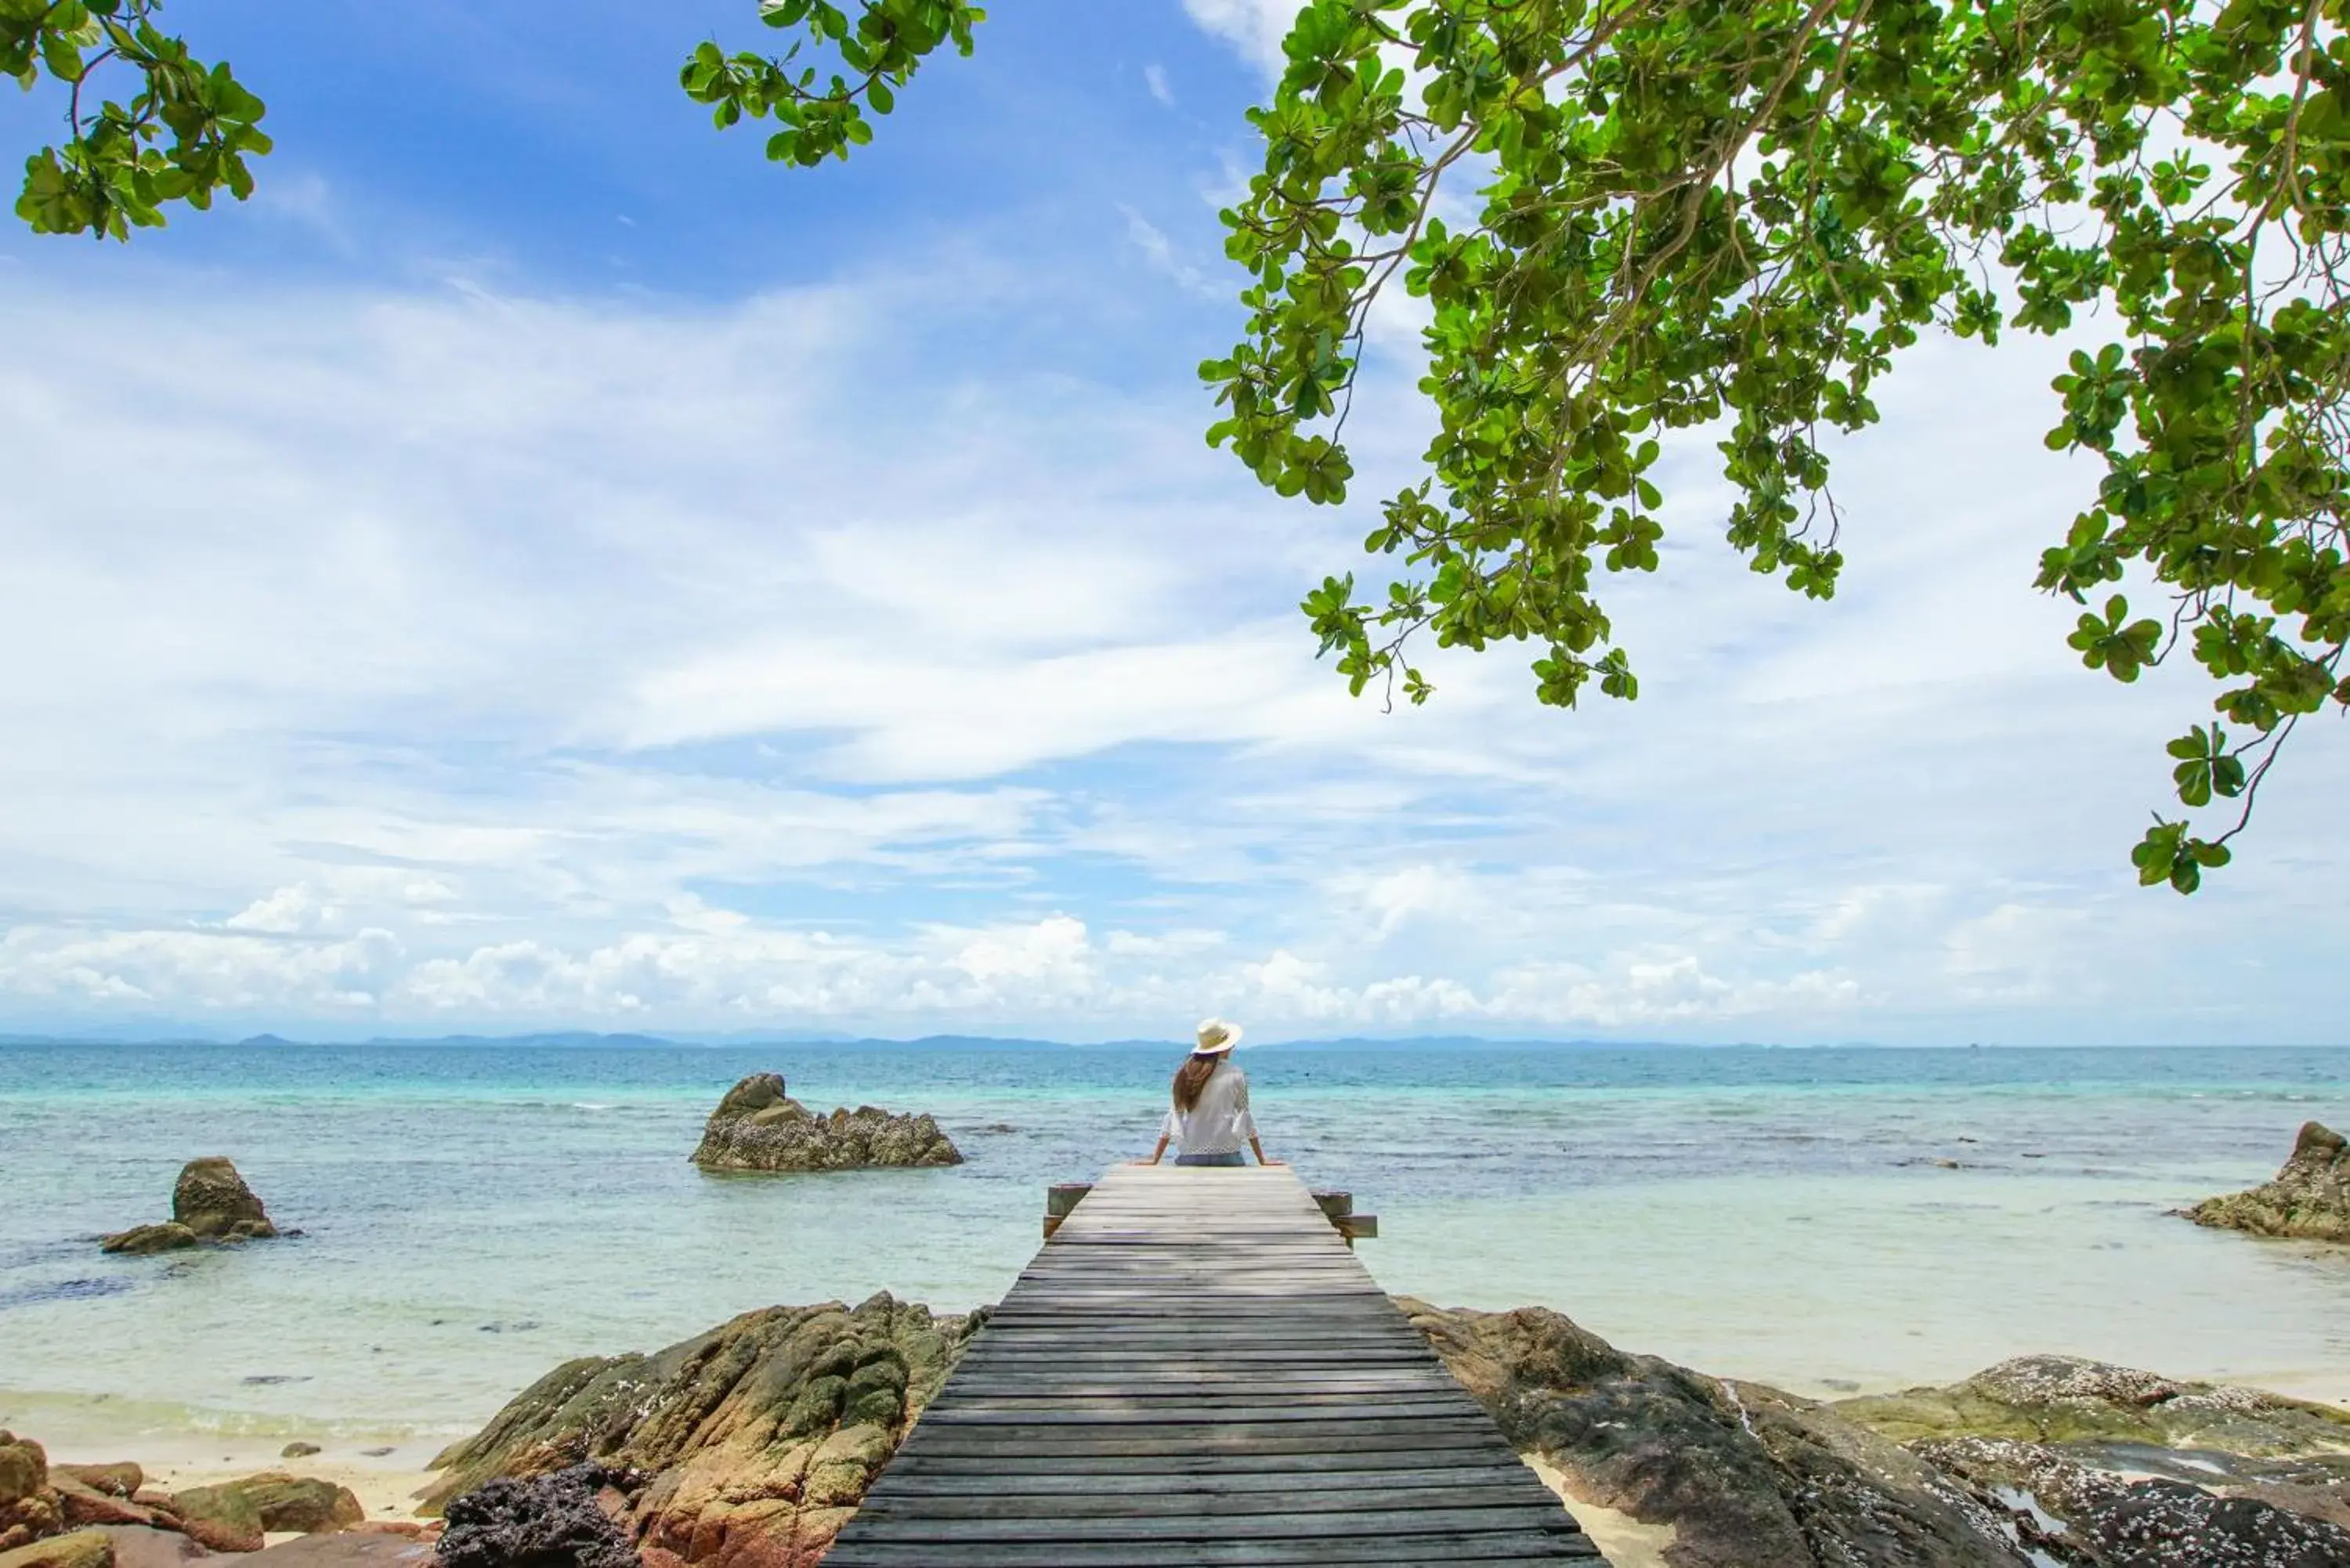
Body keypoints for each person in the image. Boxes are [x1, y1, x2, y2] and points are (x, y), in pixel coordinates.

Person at [1144, 1017, 1281, 1167]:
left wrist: (1155, 1159)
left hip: (1191, 1155)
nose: (1232, 1047)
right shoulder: (1235, 1073)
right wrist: (1262, 1159)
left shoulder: (1185, 1074)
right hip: (1227, 1155)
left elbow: (1173, 1117)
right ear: (1224, 1048)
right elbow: (1245, 1115)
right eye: (1231, 1045)